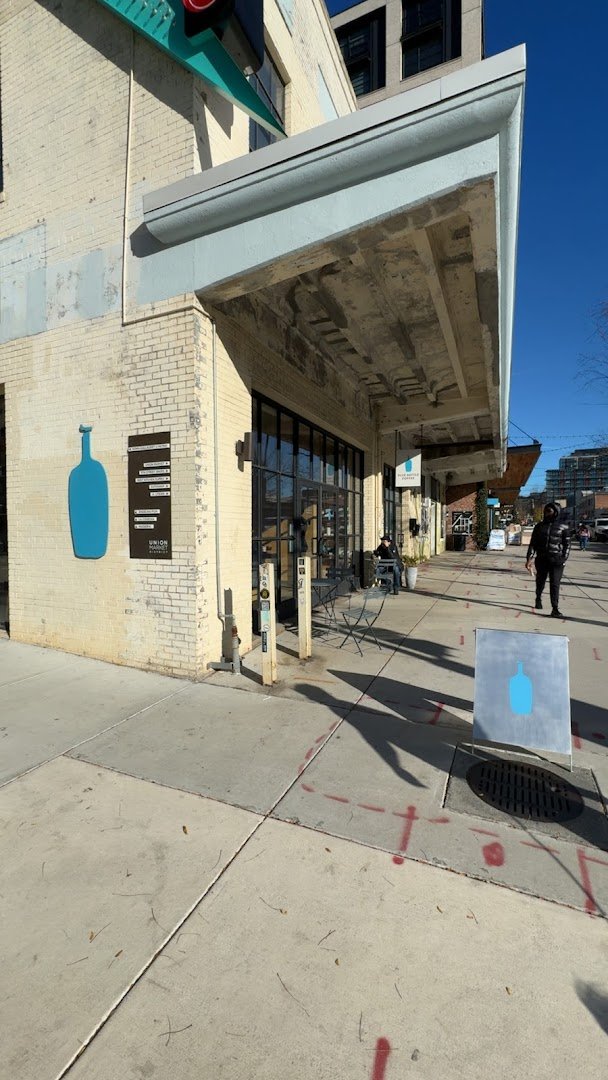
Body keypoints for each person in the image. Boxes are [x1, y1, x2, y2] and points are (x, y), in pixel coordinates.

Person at [525, 502, 571, 618]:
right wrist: (529, 558)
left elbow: (567, 544)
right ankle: (538, 597)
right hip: (542, 559)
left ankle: (555, 608)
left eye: (549, 511)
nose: (546, 513)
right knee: (540, 582)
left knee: (555, 584)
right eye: (546, 511)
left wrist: (563, 557)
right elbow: (532, 544)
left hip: (557, 560)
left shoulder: (564, 527)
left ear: (556, 512)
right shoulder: (539, 526)